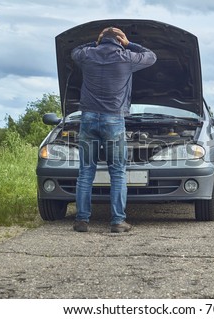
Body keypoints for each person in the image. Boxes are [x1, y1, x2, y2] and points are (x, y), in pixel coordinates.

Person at [71, 27, 157, 233]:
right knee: (117, 172)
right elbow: (152, 56)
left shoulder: (87, 54)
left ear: (101, 39)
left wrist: (95, 43)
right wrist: (129, 44)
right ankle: (118, 222)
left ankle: (82, 220)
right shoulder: (127, 57)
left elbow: (74, 51)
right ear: (119, 40)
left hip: (88, 118)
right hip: (114, 120)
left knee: (85, 172)